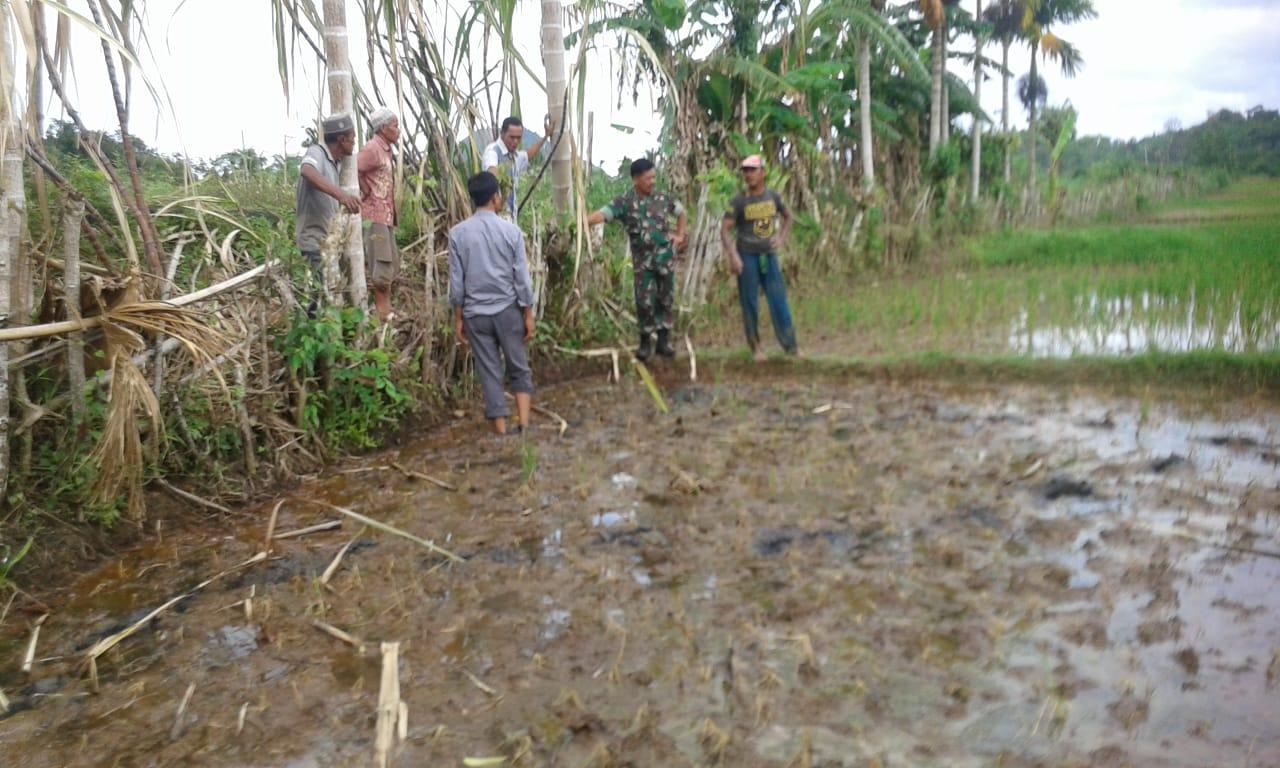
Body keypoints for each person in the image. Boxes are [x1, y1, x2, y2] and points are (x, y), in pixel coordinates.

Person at [448, 172, 536, 437]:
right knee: (518, 367)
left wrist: (458, 318)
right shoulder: (511, 232)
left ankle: (501, 432)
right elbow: (522, 278)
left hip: (475, 315)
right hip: (508, 311)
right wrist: (528, 314)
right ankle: (523, 426)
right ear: (496, 197)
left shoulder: (457, 234)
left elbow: (457, 283)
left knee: (489, 372)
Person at [586, 158, 687, 361]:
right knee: (644, 303)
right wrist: (581, 222)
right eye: (648, 178)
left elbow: (681, 212)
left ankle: (663, 343)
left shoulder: (662, 198)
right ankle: (645, 344)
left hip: (665, 259)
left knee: (665, 300)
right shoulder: (625, 203)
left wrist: (680, 235)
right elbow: (602, 214)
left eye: (654, 177)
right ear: (635, 179)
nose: (652, 182)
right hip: (643, 265)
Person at [721, 154, 799, 361]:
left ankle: (791, 346)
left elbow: (788, 217)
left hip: (769, 256)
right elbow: (725, 230)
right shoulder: (738, 201)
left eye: (752, 170)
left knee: (779, 300)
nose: (749, 174)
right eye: (745, 171)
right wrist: (733, 256)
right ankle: (755, 347)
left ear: (762, 173)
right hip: (747, 256)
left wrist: (781, 238)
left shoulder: (773, 197)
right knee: (750, 303)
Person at [296, 114, 361, 309]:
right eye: (352, 137)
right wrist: (341, 195)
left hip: (327, 243)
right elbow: (307, 171)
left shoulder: (336, 163)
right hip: (314, 242)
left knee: (324, 298)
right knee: (315, 302)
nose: (354, 141)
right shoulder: (317, 152)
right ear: (341, 139)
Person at [357, 107, 401, 322]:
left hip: (385, 216)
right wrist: (365, 189)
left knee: (390, 261)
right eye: (395, 126)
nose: (398, 130)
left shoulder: (385, 149)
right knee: (381, 264)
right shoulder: (373, 149)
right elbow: (352, 168)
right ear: (383, 128)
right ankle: (382, 313)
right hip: (375, 216)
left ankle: (387, 309)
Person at [483, 115, 554, 219]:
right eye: (512, 137)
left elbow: (528, 155)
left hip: (511, 216)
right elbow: (491, 173)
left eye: (518, 138)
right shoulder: (492, 152)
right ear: (502, 134)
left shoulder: (514, 156)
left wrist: (546, 136)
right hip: (496, 216)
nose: (515, 141)